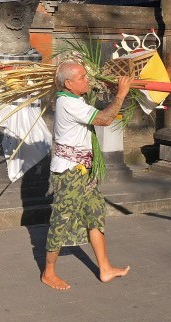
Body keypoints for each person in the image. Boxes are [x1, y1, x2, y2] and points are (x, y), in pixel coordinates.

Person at [41, 62, 132, 290]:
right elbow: (104, 119)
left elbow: (96, 106)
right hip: (70, 173)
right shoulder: (69, 103)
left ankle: (105, 268)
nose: (87, 80)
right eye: (82, 78)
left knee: (95, 213)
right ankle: (48, 272)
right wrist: (121, 94)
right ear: (69, 84)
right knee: (61, 220)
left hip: (84, 171)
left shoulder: (74, 98)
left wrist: (110, 87)